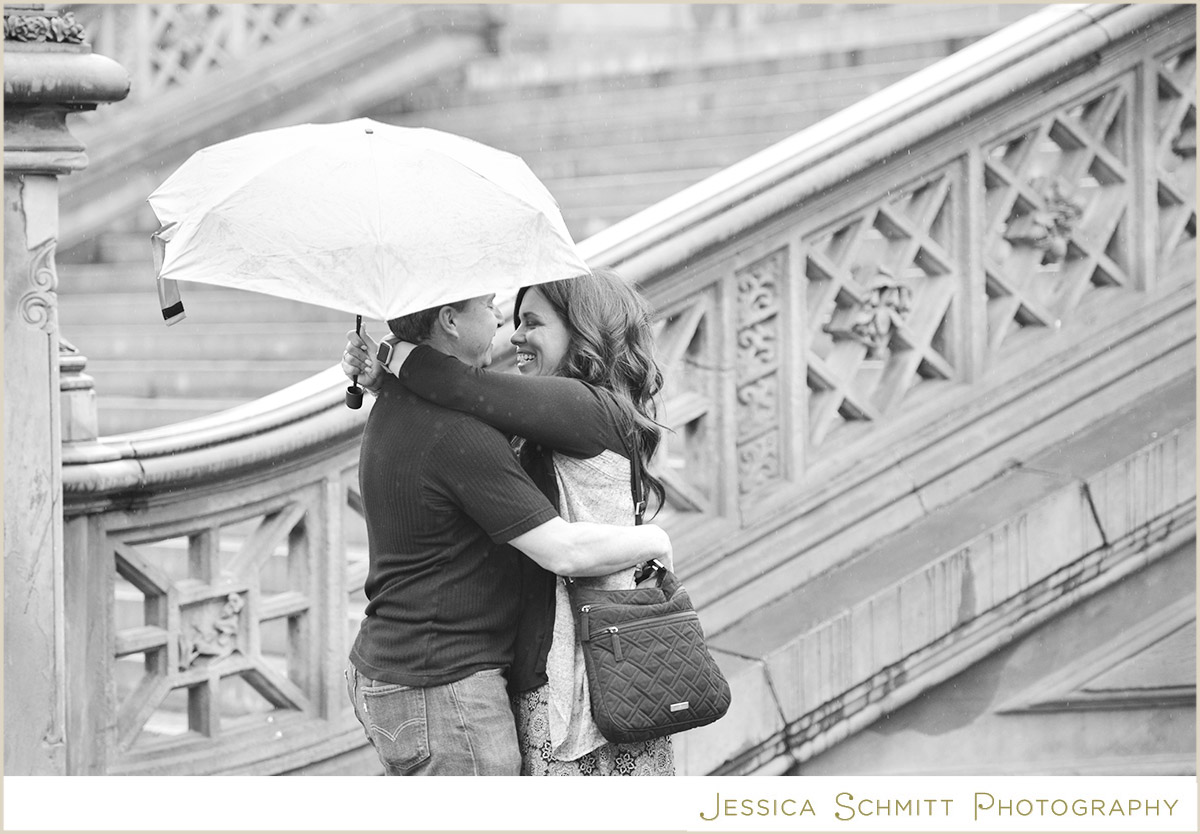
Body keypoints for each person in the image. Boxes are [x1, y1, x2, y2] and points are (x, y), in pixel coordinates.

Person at [343, 270, 675, 776]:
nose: (511, 332)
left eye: (532, 323)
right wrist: (387, 372)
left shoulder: (587, 407)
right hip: (487, 673)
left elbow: (460, 385)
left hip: (588, 678)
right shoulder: (513, 419)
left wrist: (392, 355)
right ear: (450, 320)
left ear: (582, 332)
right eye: (500, 310)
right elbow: (459, 399)